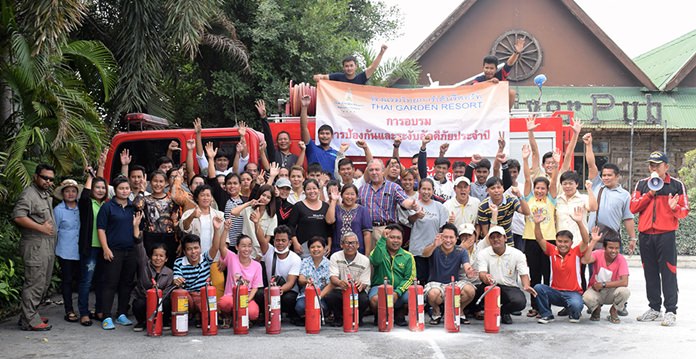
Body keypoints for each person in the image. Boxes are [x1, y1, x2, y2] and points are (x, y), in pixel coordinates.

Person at [631, 151, 689, 327]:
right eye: (651, 165)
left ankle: (670, 310)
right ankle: (654, 308)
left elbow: (685, 210)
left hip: (666, 235)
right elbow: (633, 207)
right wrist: (650, 193)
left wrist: (674, 209)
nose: (654, 168)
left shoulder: (676, 185)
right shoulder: (642, 184)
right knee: (650, 273)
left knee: (669, 272)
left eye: (657, 164)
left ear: (666, 167)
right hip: (646, 235)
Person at [13, 164, 57, 331]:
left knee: (43, 282)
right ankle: (30, 320)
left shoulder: (43, 194)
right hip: (35, 244)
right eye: (44, 177)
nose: (48, 181)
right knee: (35, 282)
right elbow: (18, 216)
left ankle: (28, 314)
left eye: (51, 179)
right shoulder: (29, 195)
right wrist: (41, 228)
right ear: (35, 176)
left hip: (46, 245)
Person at [531, 208, 590, 324]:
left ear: (571, 243)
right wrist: (537, 224)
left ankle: (573, 312)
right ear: (556, 242)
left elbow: (586, 240)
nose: (562, 244)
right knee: (538, 287)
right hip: (555, 293)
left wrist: (579, 222)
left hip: (573, 293)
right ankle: (547, 314)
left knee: (576, 307)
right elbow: (539, 239)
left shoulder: (576, 252)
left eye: (566, 242)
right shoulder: (552, 251)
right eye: (560, 241)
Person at [96, 176, 137, 330]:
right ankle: (106, 316)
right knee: (110, 284)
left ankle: (121, 313)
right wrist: (105, 248)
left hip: (130, 250)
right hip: (113, 250)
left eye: (127, 188)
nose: (124, 191)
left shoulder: (133, 207)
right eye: (121, 188)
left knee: (126, 283)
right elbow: (101, 229)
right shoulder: (107, 207)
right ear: (115, 190)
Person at [477, 226, 536, 325]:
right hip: (490, 286)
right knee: (476, 295)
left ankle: (503, 312)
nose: (495, 239)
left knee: (520, 302)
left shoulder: (517, 254)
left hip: (509, 287)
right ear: (489, 240)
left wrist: (526, 285)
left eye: (498, 236)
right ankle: (480, 311)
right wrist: (486, 278)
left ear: (505, 238)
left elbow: (524, 273)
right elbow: (482, 273)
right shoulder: (483, 253)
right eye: (492, 237)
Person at [422, 223, 477, 325]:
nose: (448, 240)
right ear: (441, 237)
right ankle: (436, 312)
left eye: (451, 237)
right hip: (435, 284)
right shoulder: (434, 248)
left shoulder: (461, 251)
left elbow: (466, 265)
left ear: (456, 239)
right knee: (433, 294)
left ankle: (459, 310)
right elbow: (424, 254)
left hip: (454, 283)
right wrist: (434, 244)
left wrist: (469, 271)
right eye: (445, 237)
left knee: (470, 290)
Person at [172, 223, 223, 327]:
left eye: (196, 248)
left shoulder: (205, 258)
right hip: (188, 295)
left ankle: (200, 317)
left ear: (200, 248)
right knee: (180, 295)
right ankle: (187, 317)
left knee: (207, 304)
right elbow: (176, 278)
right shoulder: (179, 262)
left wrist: (217, 230)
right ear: (185, 251)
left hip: (202, 295)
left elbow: (215, 246)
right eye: (189, 249)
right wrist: (177, 280)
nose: (193, 252)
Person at [77, 157, 109, 326]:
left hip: (104, 248)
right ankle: (83, 312)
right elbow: (84, 195)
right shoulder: (87, 203)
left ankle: (99, 310)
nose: (100, 190)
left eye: (103, 187)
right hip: (90, 248)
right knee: (86, 281)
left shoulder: (106, 205)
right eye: (97, 187)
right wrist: (90, 175)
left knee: (101, 281)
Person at [180, 185, 226, 300]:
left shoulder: (219, 215)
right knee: (196, 287)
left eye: (208, 195)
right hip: (195, 259)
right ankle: (197, 312)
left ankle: (217, 313)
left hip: (214, 258)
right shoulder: (189, 213)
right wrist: (192, 216)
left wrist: (223, 258)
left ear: (212, 198)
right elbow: (184, 227)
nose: (205, 198)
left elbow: (225, 239)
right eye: (202, 195)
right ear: (196, 198)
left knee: (219, 283)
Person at [358, 159, 418, 245]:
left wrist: (411, 205)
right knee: (370, 257)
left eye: (377, 169)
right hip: (368, 231)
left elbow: (404, 200)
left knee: (388, 257)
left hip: (387, 230)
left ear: (383, 171)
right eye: (371, 170)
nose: (374, 172)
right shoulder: (362, 189)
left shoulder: (393, 187)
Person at [132, 212, 173, 332]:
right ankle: (141, 322)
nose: (158, 258)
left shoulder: (169, 273)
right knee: (138, 304)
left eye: (161, 256)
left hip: (160, 300)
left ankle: (164, 321)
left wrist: (157, 297)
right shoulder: (144, 265)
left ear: (166, 259)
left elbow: (168, 292)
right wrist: (136, 226)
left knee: (167, 302)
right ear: (151, 256)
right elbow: (139, 246)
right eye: (155, 255)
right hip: (145, 299)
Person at [556, 171, 597, 290]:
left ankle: (579, 300)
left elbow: (594, 207)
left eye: (570, 183)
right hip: (561, 244)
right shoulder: (558, 200)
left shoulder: (583, 198)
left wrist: (589, 189)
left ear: (577, 184)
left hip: (578, 243)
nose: (567, 186)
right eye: (564, 183)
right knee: (562, 275)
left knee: (579, 274)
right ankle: (566, 303)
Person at [368, 224, 415, 326]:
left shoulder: (408, 256)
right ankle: (380, 315)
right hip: (379, 287)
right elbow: (375, 261)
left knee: (414, 295)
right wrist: (381, 240)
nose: (395, 241)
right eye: (392, 237)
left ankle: (400, 313)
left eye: (398, 238)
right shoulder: (378, 250)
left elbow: (410, 278)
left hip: (399, 290)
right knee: (375, 300)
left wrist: (397, 293)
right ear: (386, 237)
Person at [582, 227, 630, 324]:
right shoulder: (598, 254)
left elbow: (624, 282)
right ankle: (596, 310)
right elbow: (584, 260)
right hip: (597, 290)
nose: (614, 251)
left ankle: (613, 311)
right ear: (604, 248)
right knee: (586, 297)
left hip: (612, 292)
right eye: (611, 248)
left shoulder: (621, 259)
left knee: (625, 292)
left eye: (617, 248)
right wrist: (593, 242)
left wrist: (603, 284)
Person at [133, 170, 179, 268]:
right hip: (150, 236)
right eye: (155, 181)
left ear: (165, 183)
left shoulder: (171, 200)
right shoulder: (146, 199)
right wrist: (141, 190)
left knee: (168, 264)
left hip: (168, 236)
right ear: (150, 182)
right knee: (149, 264)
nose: (158, 184)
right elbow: (137, 206)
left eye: (161, 181)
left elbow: (176, 220)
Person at [408, 178, 449, 284]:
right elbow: (409, 221)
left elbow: (443, 227)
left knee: (433, 279)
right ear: (419, 190)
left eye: (429, 189)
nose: (426, 192)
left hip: (434, 248)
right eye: (423, 189)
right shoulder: (414, 205)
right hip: (417, 249)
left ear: (433, 190)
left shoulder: (439, 207)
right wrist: (417, 215)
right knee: (419, 280)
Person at [326, 232, 372, 326]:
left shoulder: (365, 260)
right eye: (347, 243)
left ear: (358, 245)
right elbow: (333, 277)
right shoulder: (335, 256)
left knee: (364, 299)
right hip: (340, 289)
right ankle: (338, 318)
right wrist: (339, 282)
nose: (350, 246)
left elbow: (365, 282)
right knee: (330, 296)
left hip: (357, 291)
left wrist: (361, 285)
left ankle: (358, 318)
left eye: (353, 243)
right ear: (341, 245)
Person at [218, 233, 264, 328]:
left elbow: (255, 287)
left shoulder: (257, 265)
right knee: (224, 303)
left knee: (253, 313)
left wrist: (248, 300)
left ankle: (243, 317)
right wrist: (225, 229)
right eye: (243, 246)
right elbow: (221, 246)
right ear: (237, 247)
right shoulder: (232, 258)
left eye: (249, 246)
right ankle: (228, 316)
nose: (247, 249)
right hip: (231, 296)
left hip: (247, 296)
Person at [205, 142, 245, 248]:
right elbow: (213, 179)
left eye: (235, 183)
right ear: (225, 186)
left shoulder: (246, 200)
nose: (232, 186)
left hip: (243, 244)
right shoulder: (222, 197)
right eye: (229, 183)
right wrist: (211, 159)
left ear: (240, 186)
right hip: (225, 244)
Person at [259, 225, 302, 321]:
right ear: (274, 241)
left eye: (283, 240)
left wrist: (278, 290)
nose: (280, 243)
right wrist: (256, 223)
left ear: (290, 242)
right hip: (270, 288)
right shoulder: (268, 251)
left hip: (286, 290)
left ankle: (290, 315)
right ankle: (265, 315)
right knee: (259, 294)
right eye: (277, 240)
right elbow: (261, 239)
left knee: (289, 298)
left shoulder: (295, 258)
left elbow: (291, 282)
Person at [53, 179, 82, 324]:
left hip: (81, 250)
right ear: (63, 193)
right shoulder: (58, 210)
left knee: (83, 281)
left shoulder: (82, 208)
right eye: (67, 191)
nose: (70, 194)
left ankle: (84, 309)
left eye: (73, 191)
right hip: (65, 251)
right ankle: (69, 309)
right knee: (67, 281)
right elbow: (54, 231)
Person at [472, 38, 525, 108]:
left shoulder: (501, 75)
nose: (489, 70)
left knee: (511, 92)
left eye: (491, 68)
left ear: (496, 69)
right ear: (483, 68)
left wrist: (517, 52)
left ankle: (507, 113)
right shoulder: (479, 79)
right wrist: (489, 82)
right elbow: (473, 87)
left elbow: (509, 63)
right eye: (486, 68)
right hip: (483, 107)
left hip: (498, 106)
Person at [229, 184, 278, 260]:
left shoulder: (272, 216)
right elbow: (233, 212)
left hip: (260, 254)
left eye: (268, 197)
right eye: (263, 195)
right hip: (244, 251)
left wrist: (261, 254)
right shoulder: (249, 210)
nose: (265, 198)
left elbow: (267, 239)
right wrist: (248, 203)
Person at [476, 177, 529, 244]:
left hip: (508, 240)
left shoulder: (511, 201)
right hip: (491, 241)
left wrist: (519, 195)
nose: (496, 190)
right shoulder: (483, 207)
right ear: (487, 190)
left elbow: (526, 212)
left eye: (498, 187)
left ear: (503, 188)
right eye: (493, 188)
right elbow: (485, 232)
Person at [288, 179, 332, 258]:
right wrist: (295, 243)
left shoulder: (326, 206)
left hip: (322, 247)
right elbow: (291, 226)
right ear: (304, 191)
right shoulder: (298, 206)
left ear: (318, 190)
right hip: (303, 247)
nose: (312, 191)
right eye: (308, 189)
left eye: (314, 188)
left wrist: (329, 244)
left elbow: (330, 228)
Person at [326, 184, 373, 255]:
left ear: (357, 197)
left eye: (352, 194)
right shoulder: (336, 209)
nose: (349, 197)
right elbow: (329, 221)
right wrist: (333, 200)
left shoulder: (363, 210)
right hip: (338, 249)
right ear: (341, 195)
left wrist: (367, 254)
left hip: (358, 251)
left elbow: (367, 234)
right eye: (347, 194)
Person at [295, 236, 333, 323]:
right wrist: (306, 281)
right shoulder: (305, 261)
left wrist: (318, 297)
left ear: (324, 249)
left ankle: (319, 316)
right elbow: (301, 279)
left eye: (319, 247)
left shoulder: (329, 264)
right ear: (309, 249)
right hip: (306, 295)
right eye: (312, 247)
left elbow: (330, 284)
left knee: (321, 307)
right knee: (300, 307)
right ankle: (308, 318)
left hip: (322, 296)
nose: (315, 249)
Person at [313, 44, 388, 85]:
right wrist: (317, 77)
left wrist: (381, 53)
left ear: (356, 66)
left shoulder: (361, 77)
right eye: (346, 66)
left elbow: (373, 67)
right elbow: (322, 77)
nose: (349, 68)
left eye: (351, 65)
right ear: (343, 68)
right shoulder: (338, 77)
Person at [300, 95, 337, 173]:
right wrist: (304, 107)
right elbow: (304, 127)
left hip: (331, 184)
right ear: (318, 136)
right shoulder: (312, 148)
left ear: (332, 136)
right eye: (322, 133)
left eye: (327, 134)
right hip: (314, 184)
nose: (324, 136)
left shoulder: (337, 154)